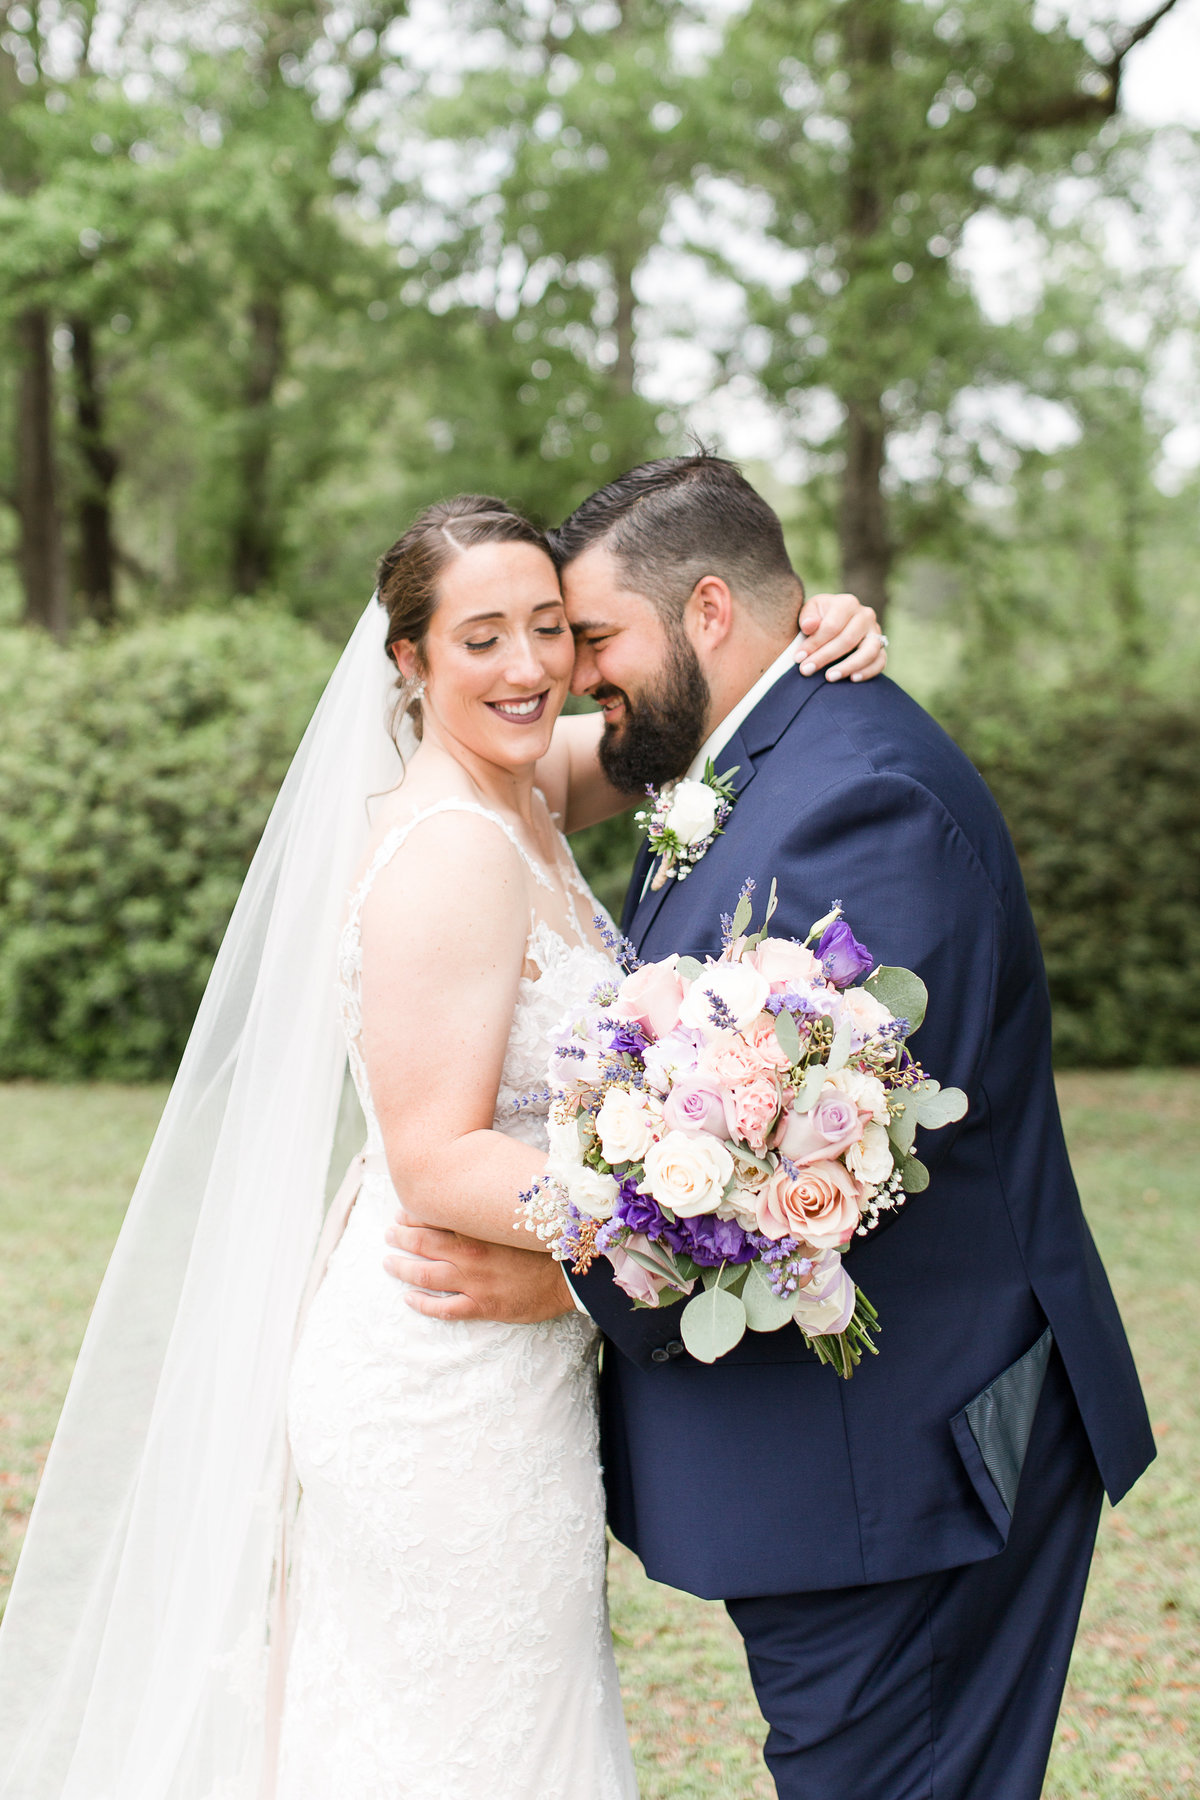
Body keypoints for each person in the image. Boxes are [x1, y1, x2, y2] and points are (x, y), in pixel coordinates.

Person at [0, 490, 883, 1800]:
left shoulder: (521, 786)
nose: (530, 669)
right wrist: (701, 1228)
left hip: (507, 1365)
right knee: (462, 1743)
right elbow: (435, 1158)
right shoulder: (453, 850)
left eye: (550, 630)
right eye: (483, 639)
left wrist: (799, 626)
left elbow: (679, 738)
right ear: (408, 662)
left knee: (495, 1727)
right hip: (440, 1379)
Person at [385, 454, 1156, 1800]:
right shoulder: (729, 759)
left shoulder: (861, 798)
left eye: (592, 637)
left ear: (705, 614)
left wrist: (567, 1280)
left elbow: (807, 1161)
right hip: (846, 1471)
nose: (569, 676)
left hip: (911, 1461)